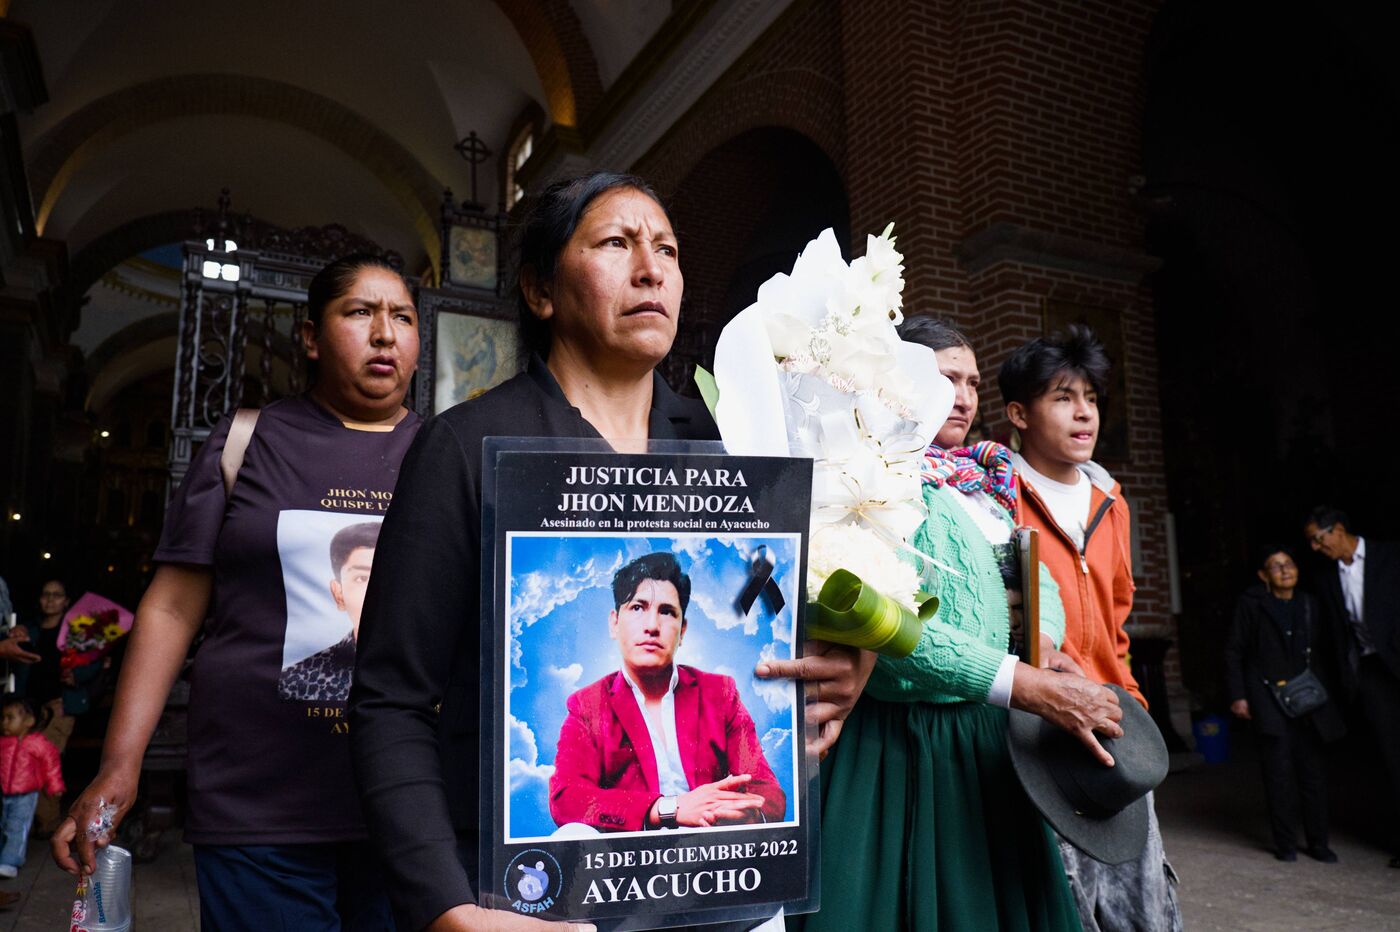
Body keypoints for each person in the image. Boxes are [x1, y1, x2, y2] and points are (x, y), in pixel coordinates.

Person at [350, 171, 871, 932]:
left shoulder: (734, 448)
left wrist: (842, 666)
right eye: (617, 244)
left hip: (723, 907)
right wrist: (446, 907)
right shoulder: (465, 448)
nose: (651, 269)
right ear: (541, 290)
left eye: (668, 249)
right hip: (533, 908)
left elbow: (778, 612)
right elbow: (390, 700)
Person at [51, 253, 422, 930]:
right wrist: (119, 764)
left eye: (402, 316)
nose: (384, 333)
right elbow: (171, 607)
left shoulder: (445, 454)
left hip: (407, 805)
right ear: (310, 337)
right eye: (359, 312)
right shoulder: (247, 441)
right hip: (256, 801)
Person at [799, 317, 1123, 932]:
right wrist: (1024, 684)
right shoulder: (866, 476)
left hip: (986, 741)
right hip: (905, 747)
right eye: (947, 378)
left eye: (973, 382)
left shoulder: (979, 484)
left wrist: (1042, 643)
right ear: (896, 380)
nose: (966, 396)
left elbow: (1040, 579)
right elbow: (881, 621)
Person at [1000, 324, 1181, 932]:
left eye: (1092, 399)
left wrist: (1128, 697)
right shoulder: (997, 496)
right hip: (1037, 729)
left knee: (1143, 905)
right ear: (1019, 414)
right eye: (1063, 398)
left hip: (1113, 721)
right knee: (1063, 903)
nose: (1084, 413)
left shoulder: (1112, 501)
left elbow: (1117, 612)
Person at [549, 552, 784, 832]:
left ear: (682, 631)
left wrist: (729, 813)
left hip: (712, 845)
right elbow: (567, 798)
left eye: (667, 611)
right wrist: (666, 809)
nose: (651, 626)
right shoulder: (587, 705)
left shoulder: (720, 693)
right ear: (614, 623)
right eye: (638, 607)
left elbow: (766, 790)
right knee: (572, 832)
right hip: (629, 852)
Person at [1225, 545, 1343, 862]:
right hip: (1268, 700)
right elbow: (1235, 651)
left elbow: (1327, 651)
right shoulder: (1252, 604)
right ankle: (1286, 844)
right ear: (1264, 575)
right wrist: (1239, 696)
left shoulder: (1309, 604)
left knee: (1313, 775)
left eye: (1289, 563)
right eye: (1275, 566)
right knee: (1278, 775)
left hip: (1309, 701)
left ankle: (1318, 843)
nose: (1284, 570)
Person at [1303, 505, 1400, 868]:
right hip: (1371, 672)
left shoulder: (1391, 557)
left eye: (1318, 539)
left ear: (1338, 530)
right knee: (1392, 757)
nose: (1315, 548)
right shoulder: (1326, 576)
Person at [277, 522, 381, 702]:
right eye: (362, 578)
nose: (381, 591)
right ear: (338, 594)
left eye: (398, 576)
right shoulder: (296, 682)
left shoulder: (435, 673)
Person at [10, 580, 79, 836]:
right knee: (24, 762)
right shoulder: (29, 629)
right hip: (30, 708)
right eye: (46, 594)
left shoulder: (75, 633)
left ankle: (48, 823)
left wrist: (77, 676)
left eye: (56, 595)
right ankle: (32, 822)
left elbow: (89, 665)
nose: (50, 599)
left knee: (46, 761)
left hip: (59, 705)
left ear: (66, 601)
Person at [0, 696, 64, 878]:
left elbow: (51, 764)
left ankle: (10, 861)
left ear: (29, 720)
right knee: (3, 825)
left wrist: (55, 786)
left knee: (16, 827)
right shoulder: (3, 742)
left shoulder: (37, 743)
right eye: (2, 718)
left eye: (10, 717)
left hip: (26, 795)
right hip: (4, 793)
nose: (5, 723)